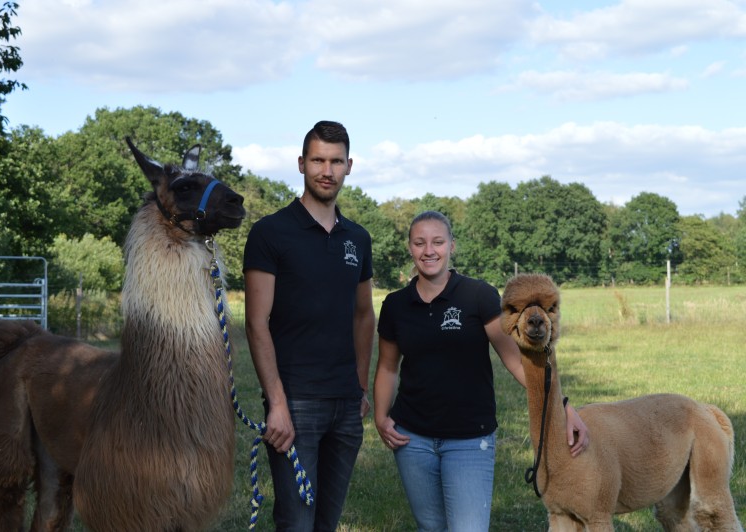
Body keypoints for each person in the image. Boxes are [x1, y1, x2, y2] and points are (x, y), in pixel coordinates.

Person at [373, 210, 590, 532]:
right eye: (420, 243)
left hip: (470, 439)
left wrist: (563, 406)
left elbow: (516, 360)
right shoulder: (395, 304)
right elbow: (388, 367)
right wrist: (380, 418)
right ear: (410, 247)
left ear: (452, 246)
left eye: (437, 242)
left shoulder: (477, 295)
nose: (429, 250)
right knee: (430, 526)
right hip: (412, 438)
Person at [243, 120, 375, 531]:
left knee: (326, 523)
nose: (327, 170)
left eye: (336, 161)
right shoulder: (270, 233)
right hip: (296, 402)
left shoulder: (359, 238)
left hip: (346, 405)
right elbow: (256, 322)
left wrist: (360, 385)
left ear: (349, 166)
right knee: (297, 523)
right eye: (318, 159)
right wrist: (277, 403)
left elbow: (363, 314)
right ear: (301, 164)